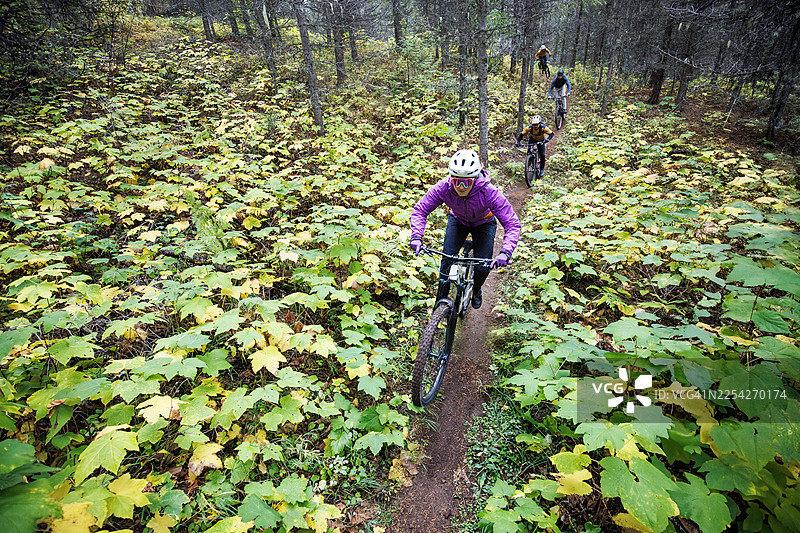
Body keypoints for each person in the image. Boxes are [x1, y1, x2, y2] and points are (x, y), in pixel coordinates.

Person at [408, 149, 521, 310]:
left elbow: (512, 223)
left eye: (466, 182)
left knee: (482, 267)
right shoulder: (444, 187)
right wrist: (417, 236)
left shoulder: (489, 192)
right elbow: (420, 210)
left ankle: (476, 289)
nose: (460, 187)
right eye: (456, 181)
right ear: (451, 178)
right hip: (458, 221)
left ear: (475, 178)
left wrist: (505, 252)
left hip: (484, 223)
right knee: (446, 263)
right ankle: (439, 307)